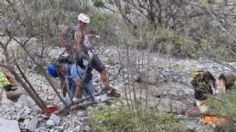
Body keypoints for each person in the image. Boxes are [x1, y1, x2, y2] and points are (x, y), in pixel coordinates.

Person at [59, 13, 120, 100]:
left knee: (86, 75)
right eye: (84, 23)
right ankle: (108, 89)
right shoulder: (78, 32)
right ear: (80, 22)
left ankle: (105, 89)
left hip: (84, 55)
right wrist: (85, 58)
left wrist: (93, 36)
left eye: (85, 23)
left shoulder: (78, 30)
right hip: (87, 55)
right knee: (103, 70)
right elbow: (77, 46)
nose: (85, 24)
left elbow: (83, 39)